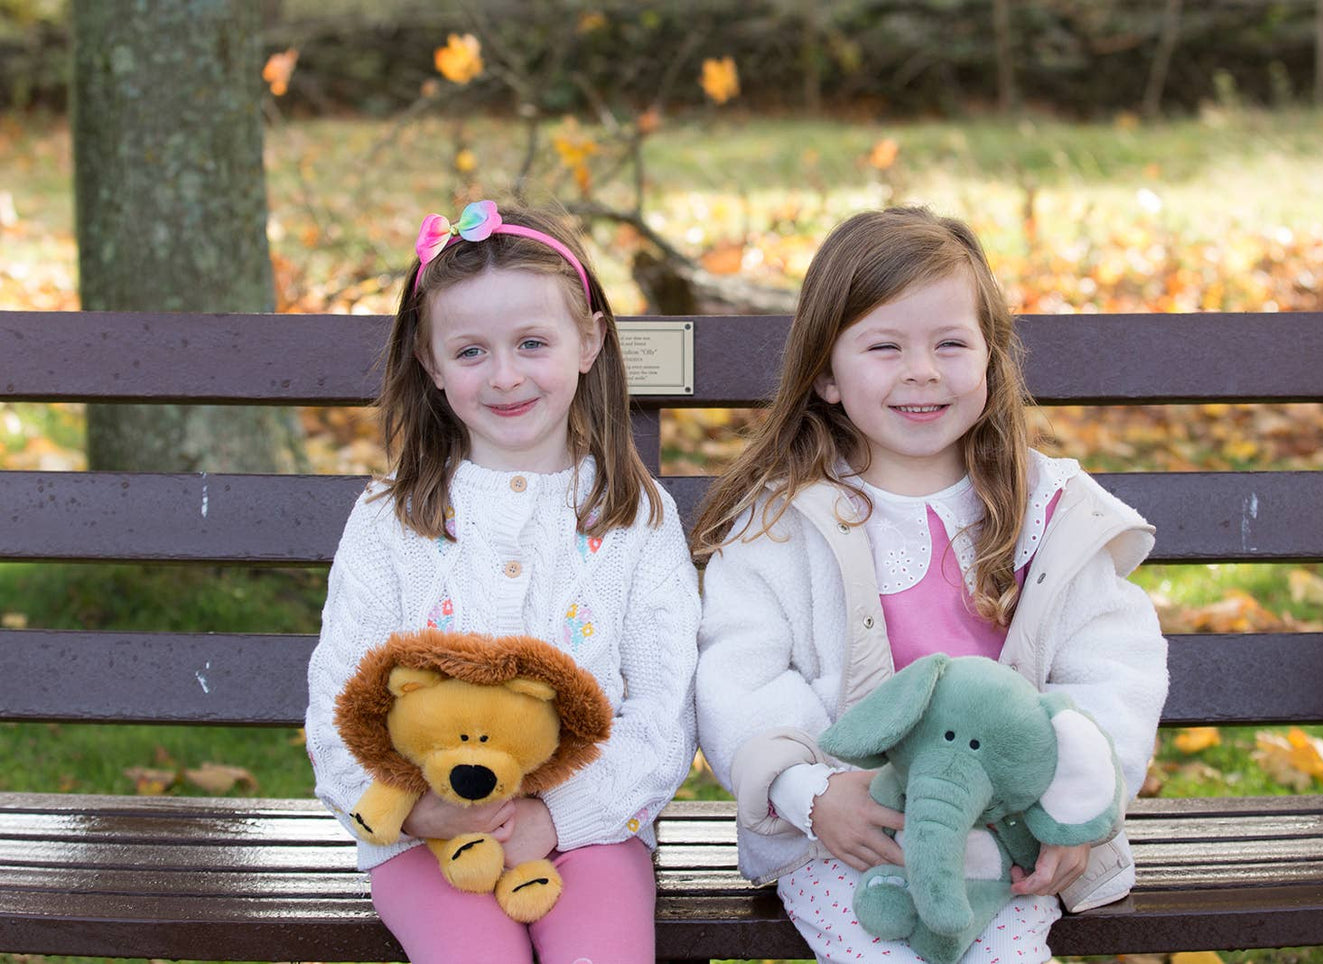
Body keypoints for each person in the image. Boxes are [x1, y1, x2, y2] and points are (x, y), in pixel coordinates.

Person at [692, 206, 1168, 964]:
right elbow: (741, 673)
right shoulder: (782, 523)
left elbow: (1111, 667)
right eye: (884, 347)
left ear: (990, 358)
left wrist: (1079, 805)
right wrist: (806, 793)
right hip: (848, 834)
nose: (922, 371)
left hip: (1004, 832)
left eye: (950, 344)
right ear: (825, 376)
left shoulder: (1046, 510)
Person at [305, 200, 700, 964]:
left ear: (587, 340)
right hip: (425, 838)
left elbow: (666, 705)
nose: (506, 375)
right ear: (429, 361)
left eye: (531, 343)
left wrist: (559, 817)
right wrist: (420, 815)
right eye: (471, 352)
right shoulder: (392, 519)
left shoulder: (634, 516)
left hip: (592, 828)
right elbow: (340, 701)